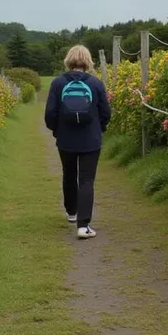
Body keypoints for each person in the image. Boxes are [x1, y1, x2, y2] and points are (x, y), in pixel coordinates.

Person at [44, 45, 111, 239]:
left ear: (68, 60)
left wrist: (56, 130)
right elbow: (106, 112)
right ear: (88, 61)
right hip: (91, 139)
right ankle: (84, 226)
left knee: (69, 174)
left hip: (66, 139)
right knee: (86, 180)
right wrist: (100, 129)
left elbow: (50, 113)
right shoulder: (96, 84)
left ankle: (71, 212)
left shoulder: (58, 83)